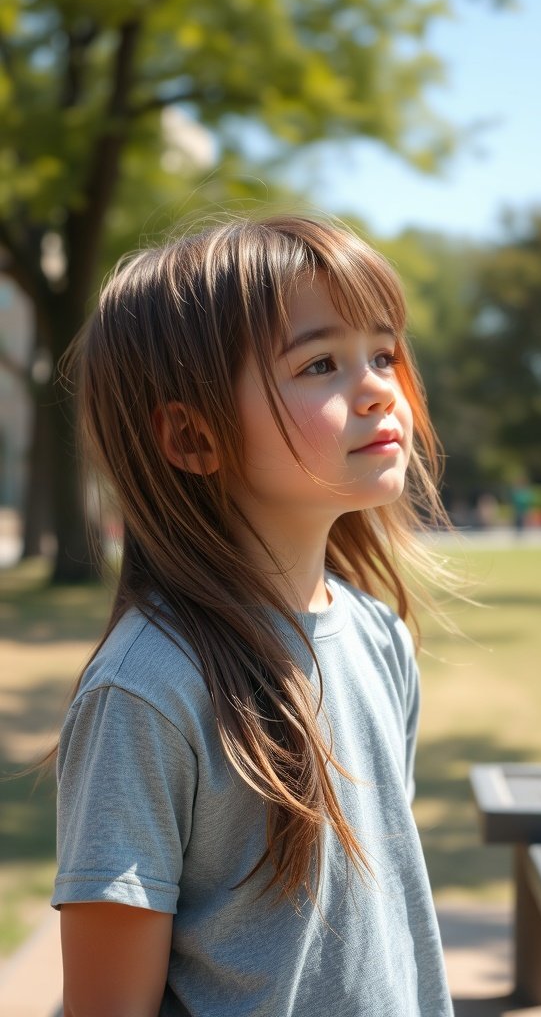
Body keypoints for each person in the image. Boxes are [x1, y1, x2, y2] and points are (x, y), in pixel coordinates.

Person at [52, 215, 455, 1016]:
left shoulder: (382, 637)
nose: (380, 386)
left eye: (382, 354)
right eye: (320, 363)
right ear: (194, 436)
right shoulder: (149, 693)